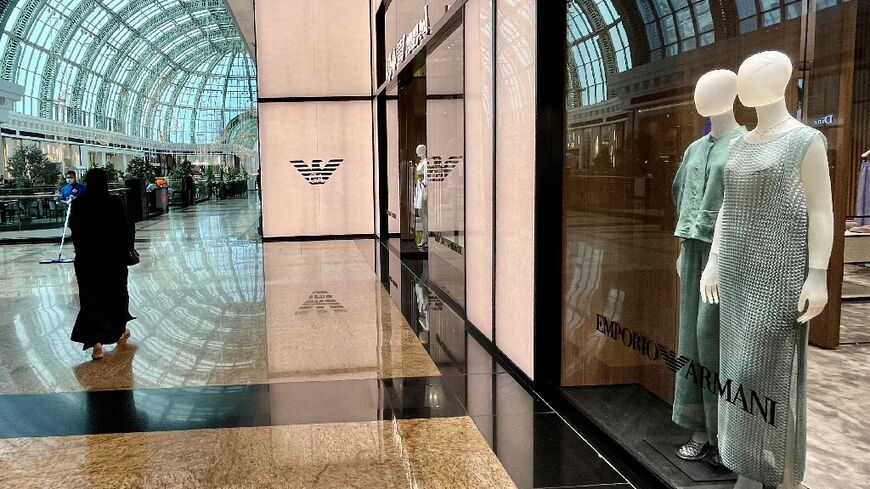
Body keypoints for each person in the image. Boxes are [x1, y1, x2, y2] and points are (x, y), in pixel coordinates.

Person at [68, 168, 136, 360]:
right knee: (116, 295)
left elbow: (75, 230)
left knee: (91, 300)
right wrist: (127, 250)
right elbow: (126, 228)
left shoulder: (79, 204)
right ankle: (120, 330)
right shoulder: (115, 203)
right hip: (113, 261)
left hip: (87, 262)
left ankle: (96, 344)